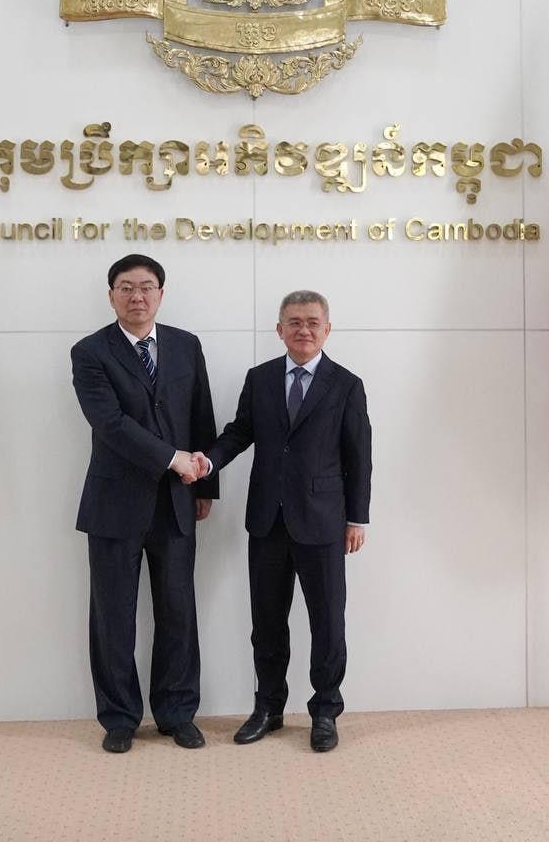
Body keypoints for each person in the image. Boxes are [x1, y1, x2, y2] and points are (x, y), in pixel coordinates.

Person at [196, 290, 372, 752]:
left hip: (324, 523)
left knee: (327, 622)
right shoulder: (260, 379)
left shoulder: (346, 385)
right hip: (267, 521)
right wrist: (207, 462)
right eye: (294, 322)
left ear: (327, 329)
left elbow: (359, 456)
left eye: (312, 322)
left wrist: (357, 518)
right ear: (279, 330)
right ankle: (269, 707)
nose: (303, 329)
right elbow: (240, 433)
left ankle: (325, 711)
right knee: (267, 622)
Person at [71, 254, 218, 753]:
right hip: (114, 502)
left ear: (161, 293)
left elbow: (201, 413)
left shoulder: (186, 345)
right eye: (127, 287)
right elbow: (109, 423)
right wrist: (173, 459)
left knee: (178, 610)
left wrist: (204, 486)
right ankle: (119, 718)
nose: (137, 296)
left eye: (147, 287)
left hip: (177, 501)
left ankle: (177, 713)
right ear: (111, 295)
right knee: (113, 615)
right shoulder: (90, 352)